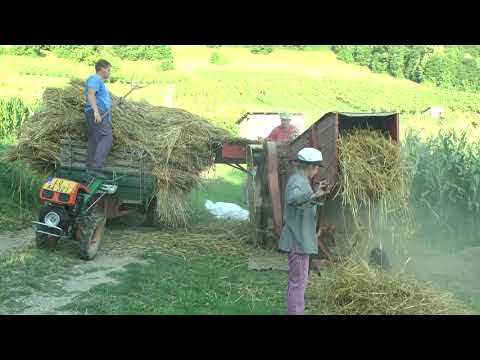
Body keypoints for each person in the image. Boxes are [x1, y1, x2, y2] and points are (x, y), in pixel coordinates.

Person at [278, 147, 330, 315]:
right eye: (316, 168)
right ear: (311, 166)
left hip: (300, 239)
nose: (316, 171)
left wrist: (317, 195)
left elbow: (304, 205)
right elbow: (293, 199)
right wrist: (314, 196)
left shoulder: (300, 180)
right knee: (298, 285)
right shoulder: (297, 181)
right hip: (297, 241)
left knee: (297, 283)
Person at [84, 59, 113, 180]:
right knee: (107, 138)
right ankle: (95, 169)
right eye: (108, 70)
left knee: (95, 140)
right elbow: (90, 94)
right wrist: (96, 111)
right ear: (102, 68)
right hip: (96, 113)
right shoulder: (95, 79)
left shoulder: (98, 81)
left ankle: (90, 169)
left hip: (99, 113)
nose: (109, 73)